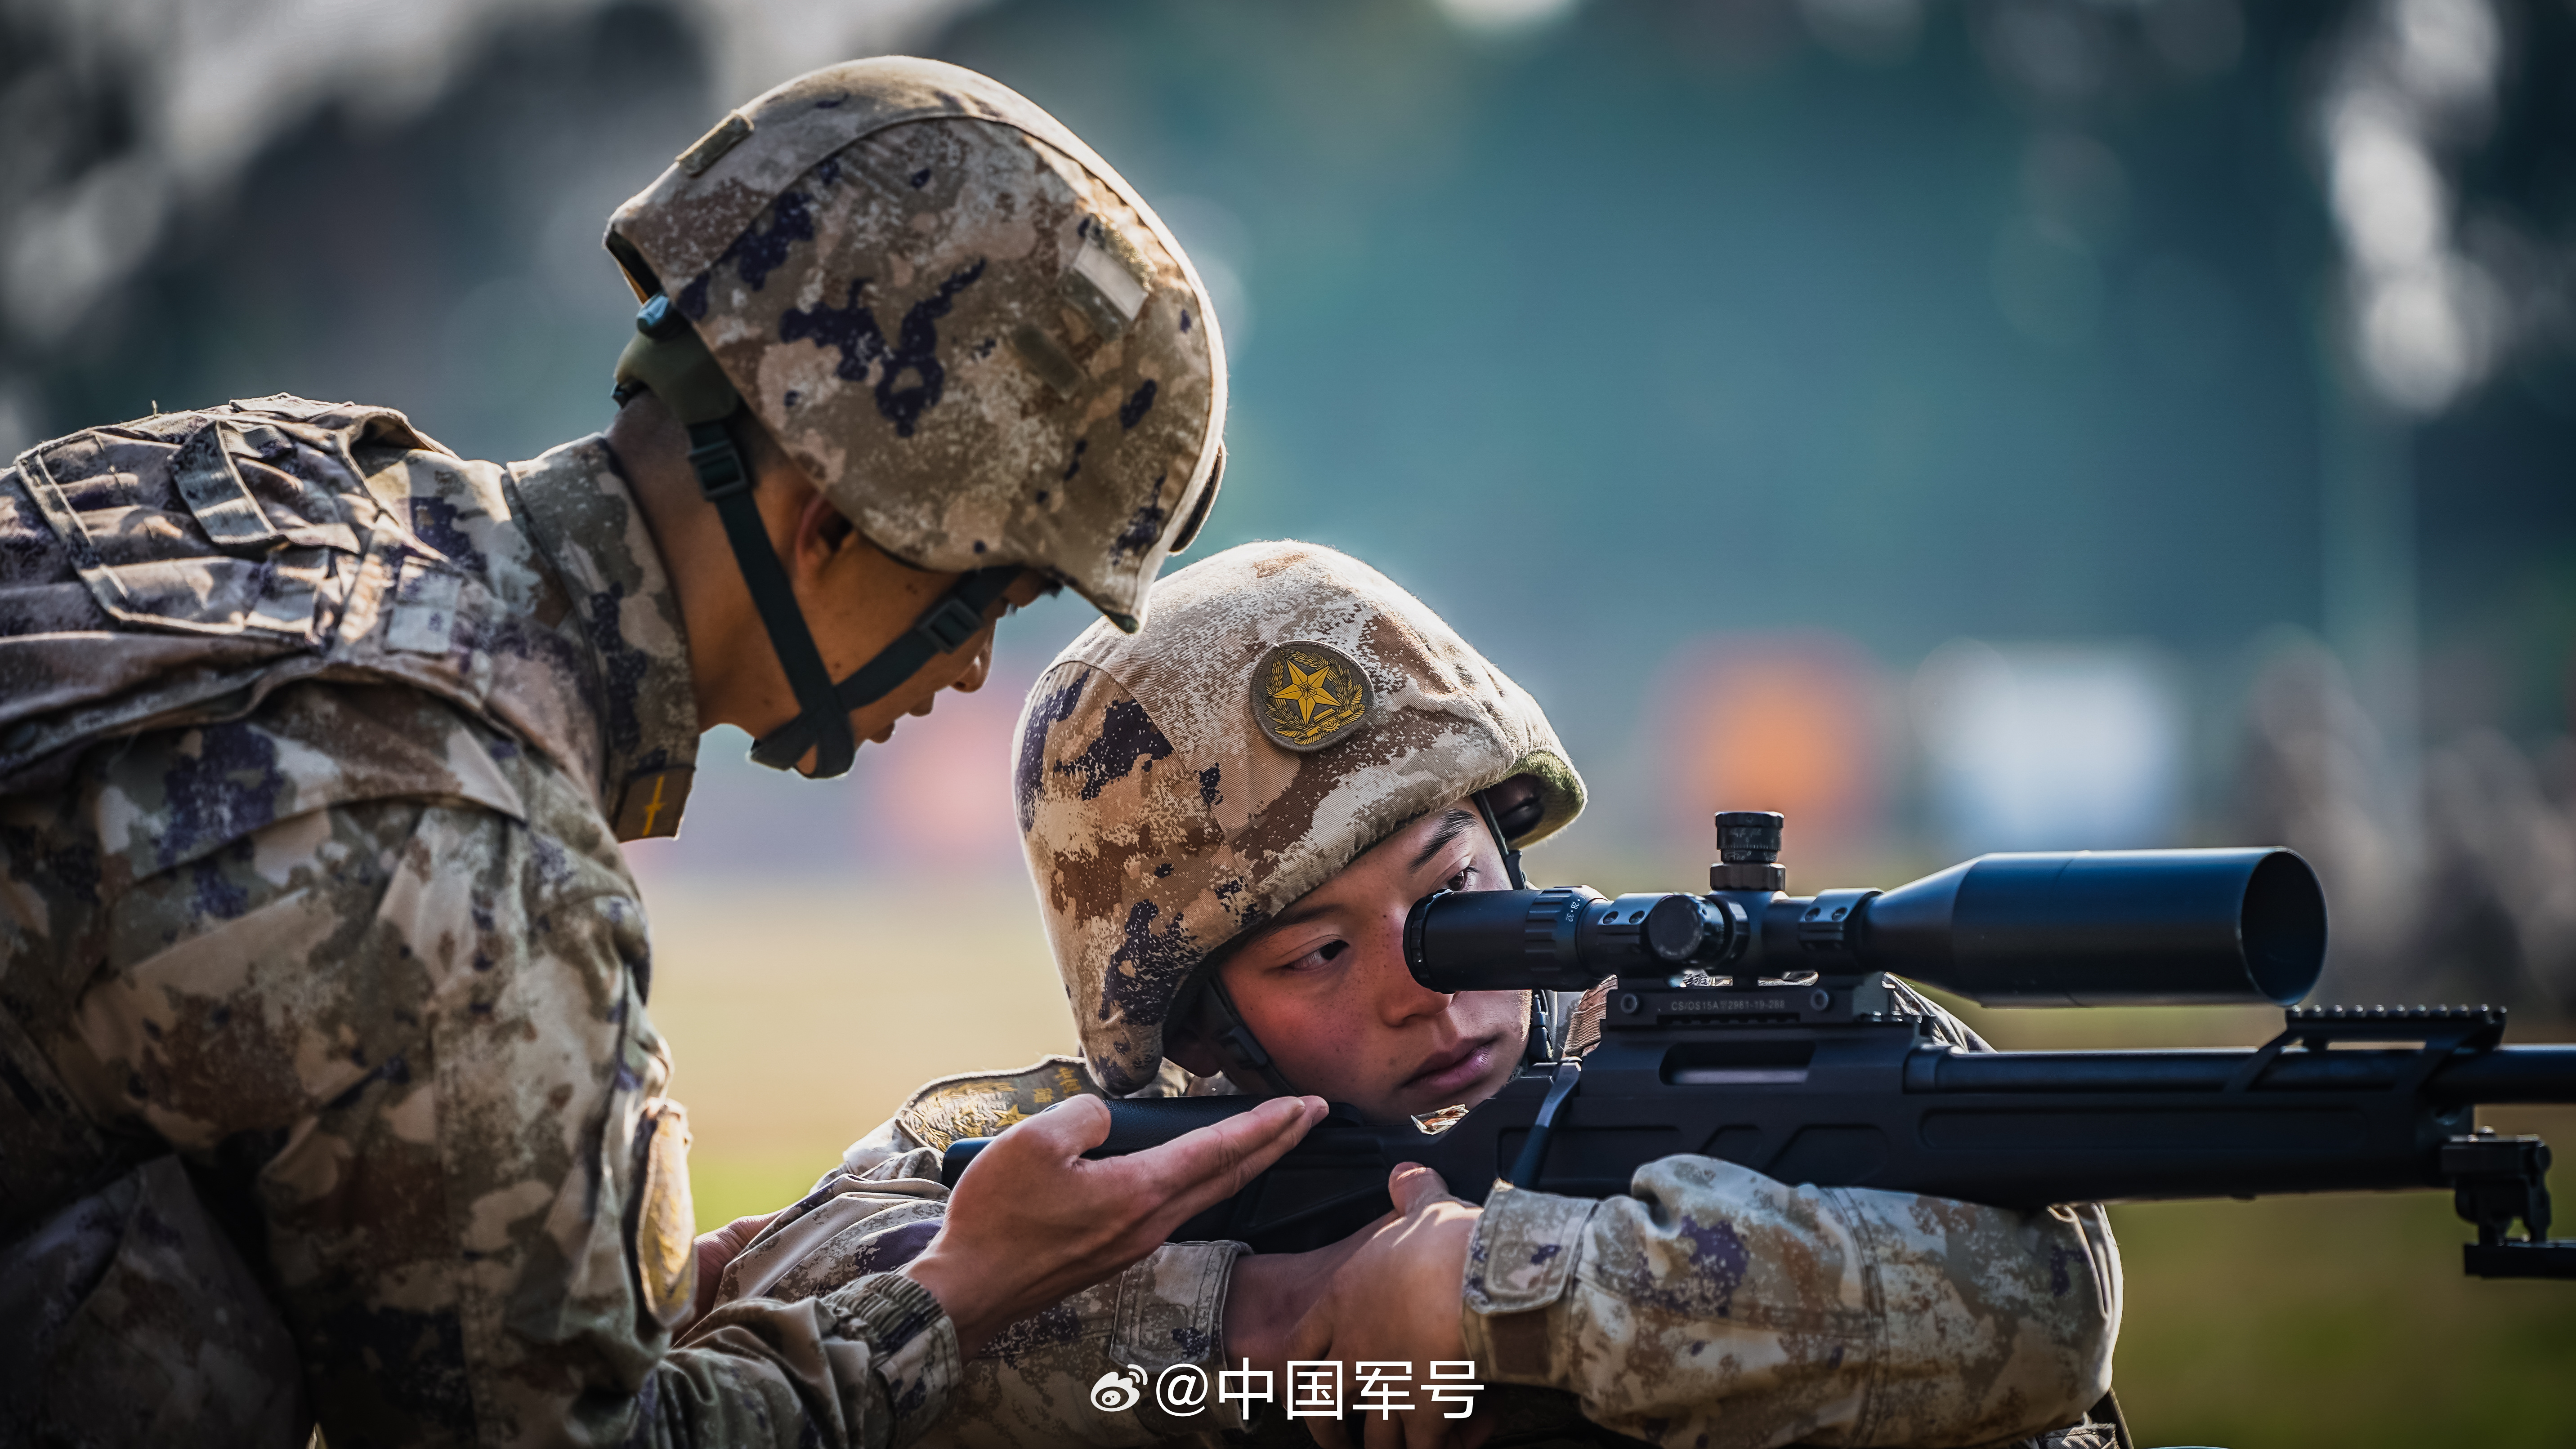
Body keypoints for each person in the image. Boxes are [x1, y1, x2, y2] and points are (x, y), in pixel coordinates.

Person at [0, 57, 1330, 1449]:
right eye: (984, 602)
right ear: (829, 529)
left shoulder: (257, 479)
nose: (972, 672)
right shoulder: (477, 872)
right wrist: (957, 1294)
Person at [704, 541, 2126, 1449]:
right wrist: (1279, 1315)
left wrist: (1491, 1291)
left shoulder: (1759, 1056)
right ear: (1198, 1022)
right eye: (1316, 954)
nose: (1422, 991)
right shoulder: (1126, 1158)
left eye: (1450, 896)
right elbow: (777, 1293)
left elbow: (2045, 1307)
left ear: (1509, 838)